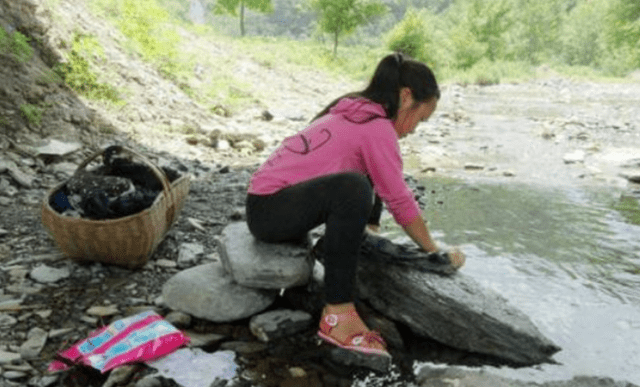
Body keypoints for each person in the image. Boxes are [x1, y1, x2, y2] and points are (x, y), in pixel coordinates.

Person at [245, 52, 466, 358]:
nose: (416, 128)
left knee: (361, 178)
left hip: (268, 206)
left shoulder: (355, 110)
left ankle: (367, 230)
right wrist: (433, 250)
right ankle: (337, 313)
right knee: (352, 187)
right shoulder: (376, 127)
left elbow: (379, 177)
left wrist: (367, 228)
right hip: (270, 213)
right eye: (421, 118)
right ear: (405, 97)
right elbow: (399, 199)